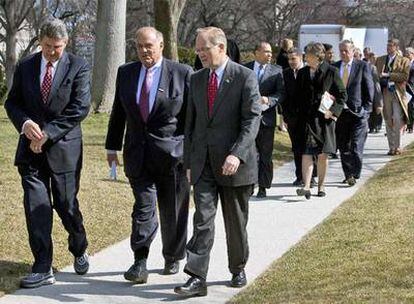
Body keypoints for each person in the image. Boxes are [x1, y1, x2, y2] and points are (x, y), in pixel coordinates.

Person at [174, 26, 261, 297]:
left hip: (235, 163)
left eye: (204, 49)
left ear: (221, 47)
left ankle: (237, 267)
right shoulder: (196, 79)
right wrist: (188, 162)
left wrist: (236, 153)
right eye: (197, 50)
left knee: (235, 222)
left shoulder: (244, 77)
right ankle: (197, 277)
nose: (199, 54)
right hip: (203, 163)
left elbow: (252, 120)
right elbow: (191, 124)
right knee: (202, 219)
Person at [4, 18, 90, 288]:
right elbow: (13, 102)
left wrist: (48, 134)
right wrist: (26, 124)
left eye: (58, 47)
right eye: (48, 46)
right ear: (40, 41)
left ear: (65, 43)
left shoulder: (78, 66)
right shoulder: (26, 66)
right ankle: (42, 267)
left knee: (66, 206)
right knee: (36, 207)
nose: (53, 52)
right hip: (30, 152)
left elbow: (79, 108)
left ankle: (79, 245)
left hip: (64, 150)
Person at [105, 27, 192, 284]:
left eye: (149, 46)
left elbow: (190, 120)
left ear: (161, 46)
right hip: (138, 154)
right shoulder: (126, 73)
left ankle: (172, 255)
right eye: (140, 46)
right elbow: (118, 113)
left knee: (173, 210)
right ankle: (140, 260)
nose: (144, 51)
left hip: (172, 157)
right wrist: (112, 148)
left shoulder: (182, 73)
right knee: (143, 208)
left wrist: (190, 153)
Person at [295, 42, 347, 199]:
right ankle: (306, 186)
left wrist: (333, 112)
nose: (305, 58)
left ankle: (321, 186)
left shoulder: (331, 71)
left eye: (308, 56)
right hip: (306, 119)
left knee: (323, 154)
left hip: (324, 120)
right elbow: (298, 94)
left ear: (317, 56)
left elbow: (342, 95)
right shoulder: (303, 72)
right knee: (306, 152)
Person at [244, 42, 285, 198]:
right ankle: (249, 184)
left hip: (266, 119)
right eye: (266, 52)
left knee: (265, 155)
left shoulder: (276, 71)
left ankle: (263, 186)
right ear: (256, 52)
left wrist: (269, 100)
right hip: (248, 119)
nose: (269, 55)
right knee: (249, 154)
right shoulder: (245, 69)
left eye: (270, 52)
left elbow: (281, 93)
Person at [334, 40, 374, 186]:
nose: (343, 53)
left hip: (358, 113)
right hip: (340, 113)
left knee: (356, 146)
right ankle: (348, 174)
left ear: (352, 51)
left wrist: (366, 110)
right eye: (341, 51)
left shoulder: (362, 66)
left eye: (346, 50)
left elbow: (369, 89)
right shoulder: (335, 67)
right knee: (343, 146)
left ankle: (355, 172)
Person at [376, 39, 411, 155]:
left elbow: (405, 76)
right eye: (387, 45)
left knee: (397, 118)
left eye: (391, 46)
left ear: (396, 47)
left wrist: (389, 75)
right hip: (385, 92)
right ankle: (391, 147)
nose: (388, 48)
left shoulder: (404, 61)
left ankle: (398, 146)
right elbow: (375, 75)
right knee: (388, 120)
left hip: (398, 93)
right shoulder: (380, 60)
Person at [367, 52, 384, 133]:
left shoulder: (380, 66)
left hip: (379, 88)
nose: (374, 59)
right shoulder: (368, 66)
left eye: (375, 58)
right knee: (372, 109)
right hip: (372, 88)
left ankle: (377, 125)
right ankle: (371, 126)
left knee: (378, 108)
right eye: (372, 58)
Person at [404, 47, 414, 133]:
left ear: (412, 54)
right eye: (406, 53)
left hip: (412, 88)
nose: (406, 55)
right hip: (405, 87)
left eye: (408, 53)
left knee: (412, 107)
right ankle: (409, 126)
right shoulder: (404, 63)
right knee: (408, 107)